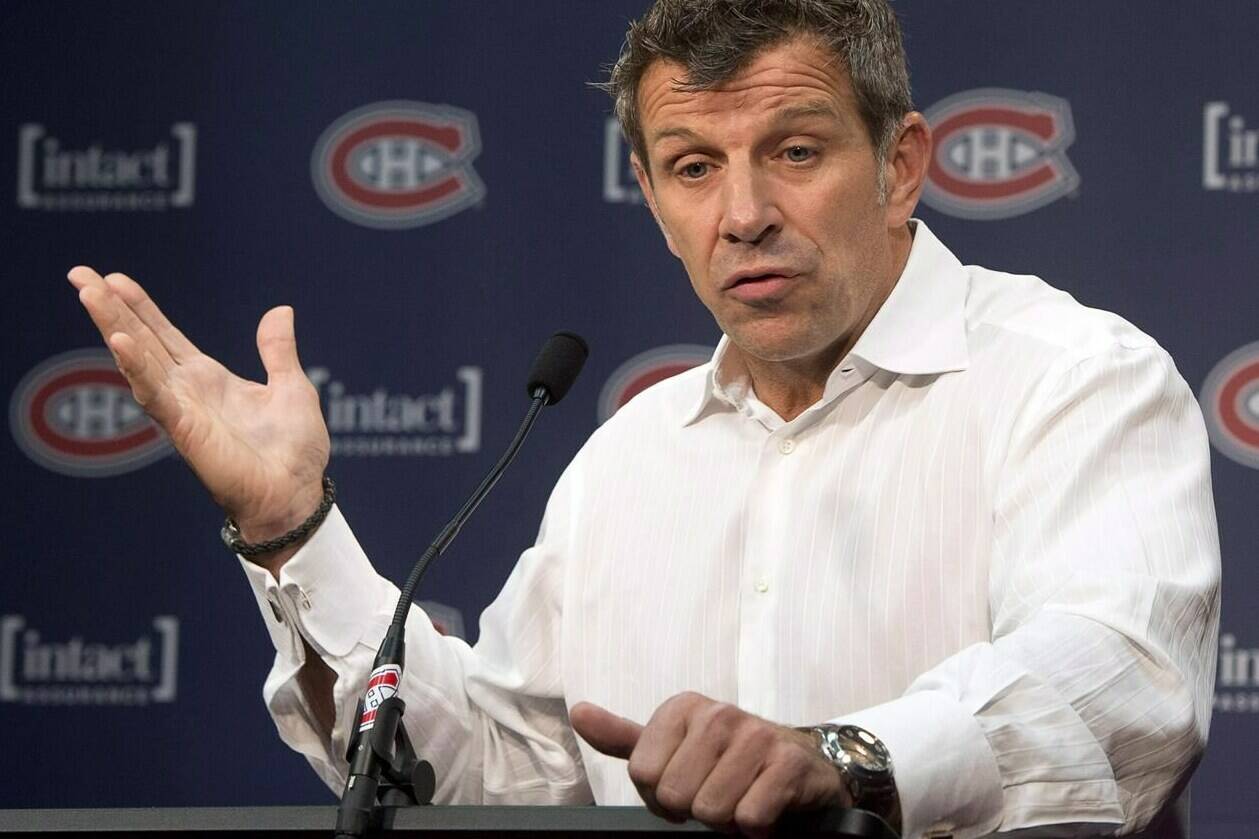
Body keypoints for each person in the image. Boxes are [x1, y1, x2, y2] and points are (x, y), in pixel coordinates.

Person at [69, 1, 1220, 837]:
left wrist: (844, 758)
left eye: (796, 151)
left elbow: (1117, 683)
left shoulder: (1071, 377)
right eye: (690, 166)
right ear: (651, 193)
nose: (743, 214)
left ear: (901, 163)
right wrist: (292, 530)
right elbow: (493, 772)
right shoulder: (627, 456)